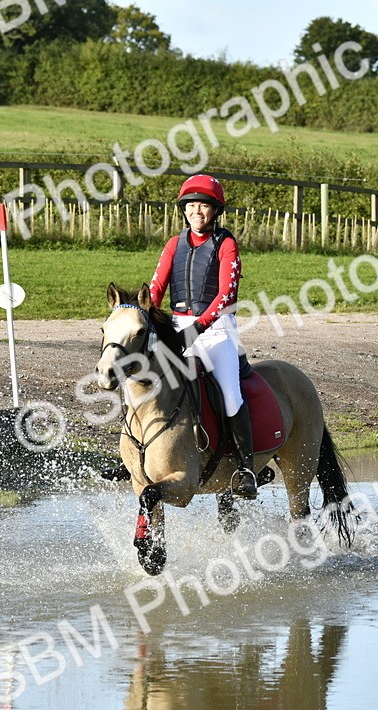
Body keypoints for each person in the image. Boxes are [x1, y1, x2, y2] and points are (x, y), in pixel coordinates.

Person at [148, 174, 257, 499]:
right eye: (192, 206)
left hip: (217, 329)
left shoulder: (226, 244)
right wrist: (146, 313)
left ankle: (246, 468)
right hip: (178, 327)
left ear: (215, 211)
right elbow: (156, 288)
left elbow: (227, 295)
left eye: (204, 206)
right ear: (184, 209)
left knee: (229, 392)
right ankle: (134, 458)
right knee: (145, 380)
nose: (197, 212)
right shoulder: (173, 244)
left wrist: (201, 325)